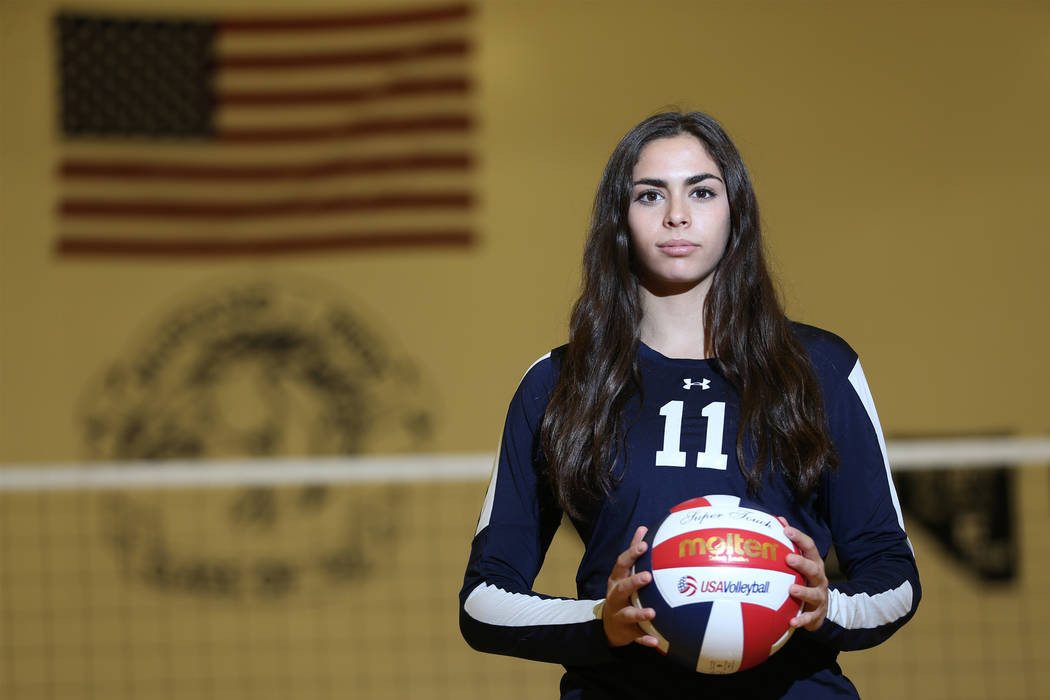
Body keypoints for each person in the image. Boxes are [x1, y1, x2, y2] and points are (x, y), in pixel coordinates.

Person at [458, 111, 920, 699]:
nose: (677, 214)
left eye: (701, 191)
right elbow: (484, 601)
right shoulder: (559, 382)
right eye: (650, 194)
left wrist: (825, 607)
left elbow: (893, 575)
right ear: (619, 220)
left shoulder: (821, 368)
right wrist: (602, 621)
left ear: (736, 212)